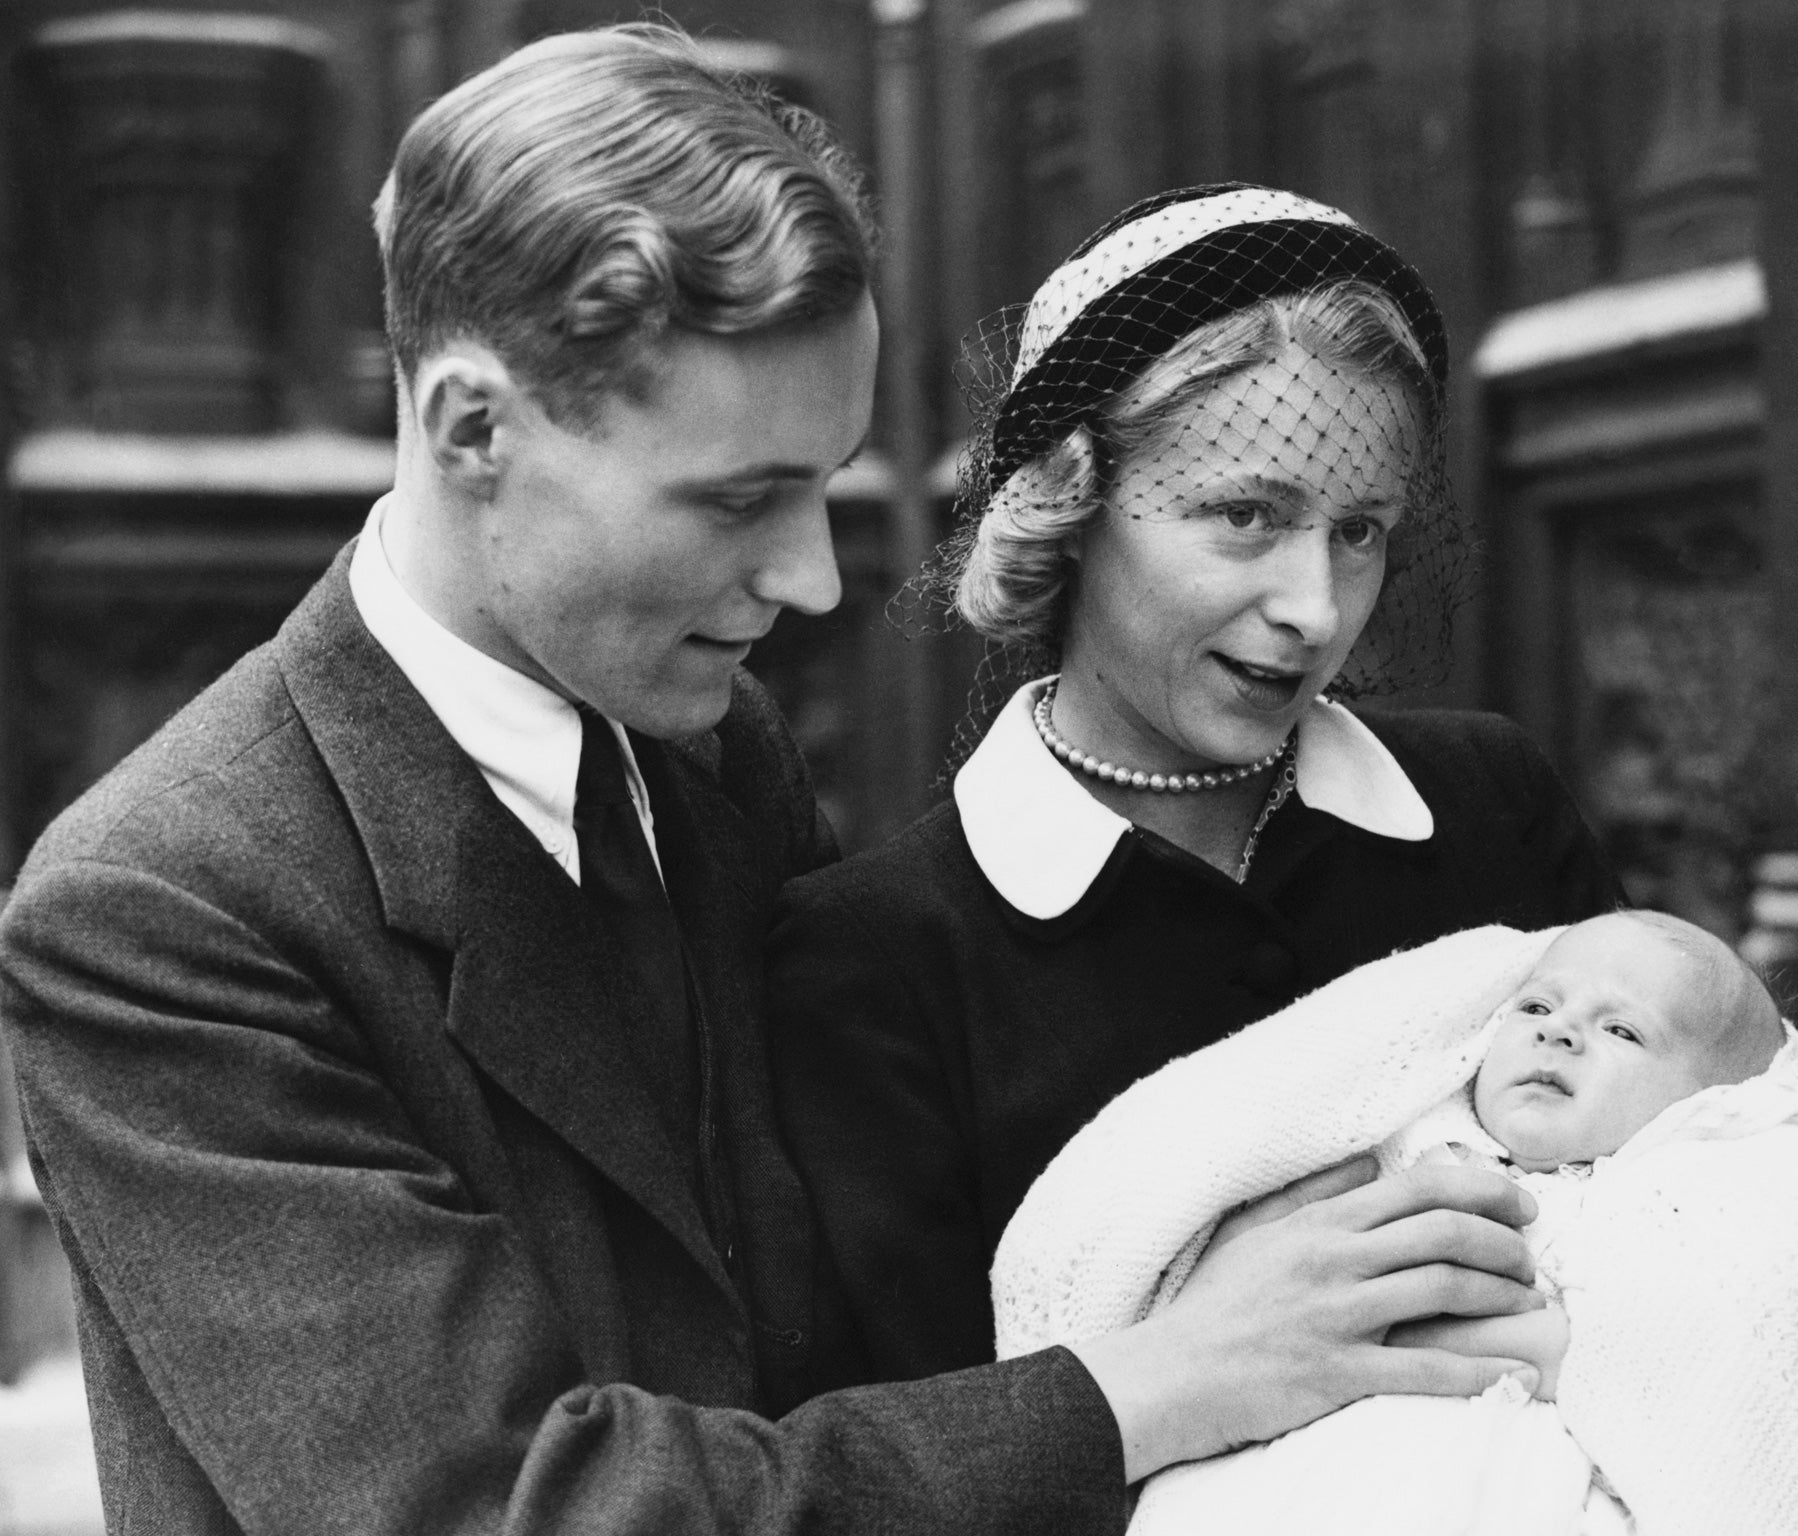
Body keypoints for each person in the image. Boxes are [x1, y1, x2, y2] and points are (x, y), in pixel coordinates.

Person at [0, 34, 1545, 1536]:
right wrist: (1158, 1380)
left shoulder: (709, 742)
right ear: (475, 428)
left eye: (824, 483)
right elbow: (510, 1509)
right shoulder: (164, 909)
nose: (811, 578)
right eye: (742, 499)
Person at [768, 184, 1625, 1392]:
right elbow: (928, 1452)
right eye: (1243, 516)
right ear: (1070, 500)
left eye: (1359, 531)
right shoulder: (880, 958)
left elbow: (1691, 1165)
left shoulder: (1489, 806)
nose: (1313, 608)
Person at [992, 916, 1798, 1536]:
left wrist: (1615, 1348)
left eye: (1622, 1030)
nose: (1561, 1030)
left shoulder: (1702, 1188)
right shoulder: (1398, 1141)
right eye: (1534, 1008)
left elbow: (1753, 1326)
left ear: (1710, 1099)